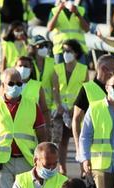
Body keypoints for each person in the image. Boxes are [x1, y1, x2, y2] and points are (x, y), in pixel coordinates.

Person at [49, 39, 87, 171]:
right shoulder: (57, 68)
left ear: (76, 53)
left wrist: (76, 108)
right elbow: (55, 89)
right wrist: (59, 105)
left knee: (80, 141)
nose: (65, 54)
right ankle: (62, 169)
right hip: (60, 111)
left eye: (68, 51)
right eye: (64, 51)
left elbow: (85, 90)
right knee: (61, 142)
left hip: (77, 111)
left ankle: (83, 168)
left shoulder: (83, 69)